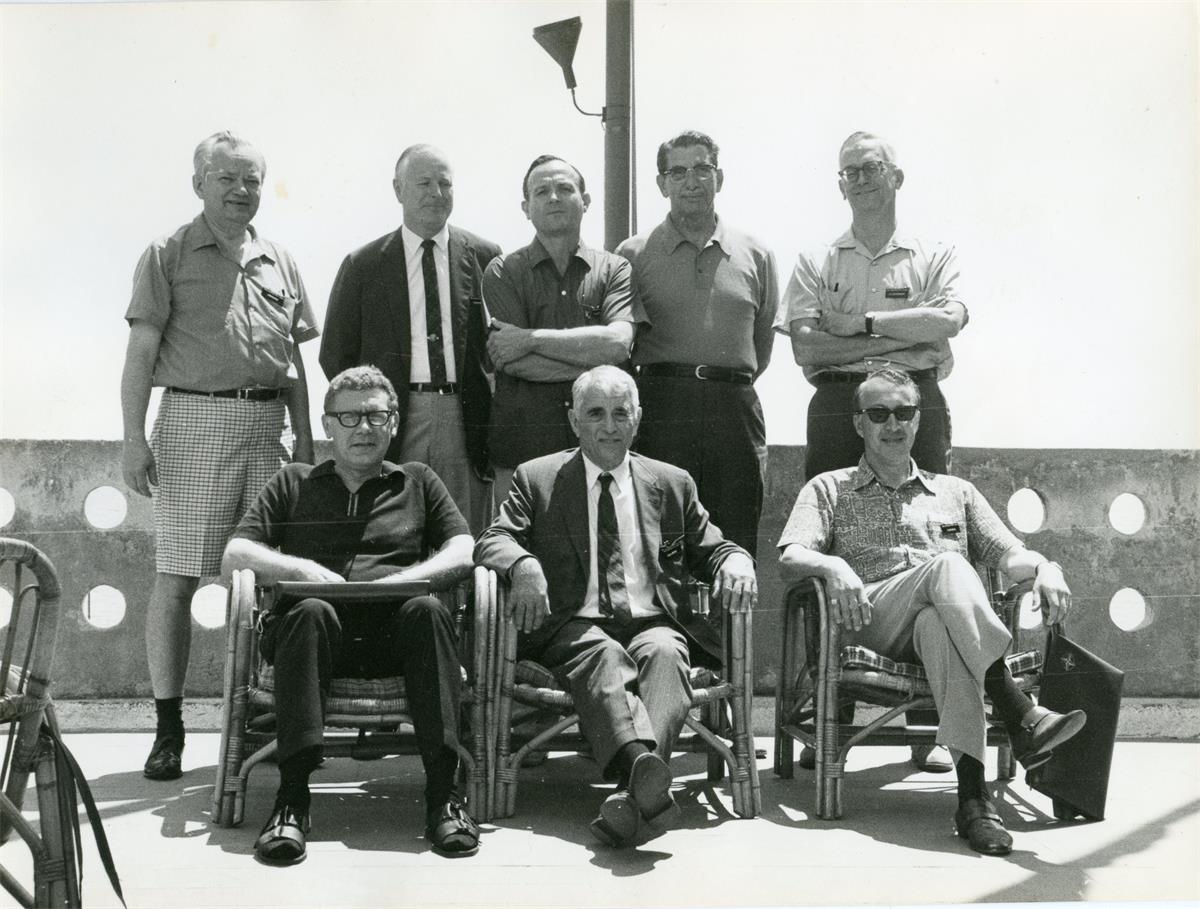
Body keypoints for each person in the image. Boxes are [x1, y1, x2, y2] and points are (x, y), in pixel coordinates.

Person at [777, 367, 1086, 857]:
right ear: (859, 423)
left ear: (919, 421)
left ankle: (973, 802)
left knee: (939, 624)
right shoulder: (829, 488)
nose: (892, 424)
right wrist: (832, 563)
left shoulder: (955, 492)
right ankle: (1018, 710)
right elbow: (791, 555)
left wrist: (1047, 565)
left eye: (903, 413)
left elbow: (1009, 554)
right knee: (946, 566)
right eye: (878, 414)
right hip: (869, 621)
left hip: (940, 624)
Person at [474, 365, 757, 847]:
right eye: (596, 414)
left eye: (620, 413)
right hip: (575, 625)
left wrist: (738, 561)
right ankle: (642, 781)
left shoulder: (671, 483)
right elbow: (493, 538)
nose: (609, 426)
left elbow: (714, 548)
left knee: (667, 655)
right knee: (604, 656)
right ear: (573, 420)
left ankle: (634, 791)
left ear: (638, 419)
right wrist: (523, 564)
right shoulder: (538, 477)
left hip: (654, 621)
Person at [222, 365, 479, 865]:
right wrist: (302, 568)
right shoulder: (293, 482)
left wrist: (402, 582)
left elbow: (465, 548)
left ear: (394, 422)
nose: (363, 427)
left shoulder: (418, 481)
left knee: (428, 611)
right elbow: (235, 554)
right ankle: (291, 801)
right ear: (327, 425)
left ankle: (444, 798)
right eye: (349, 417)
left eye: (375, 415)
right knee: (311, 610)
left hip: (394, 636)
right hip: (314, 640)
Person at [121, 131, 317, 783]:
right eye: (228, 178)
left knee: (272, 580)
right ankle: (169, 728)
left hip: (268, 427)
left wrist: (307, 443)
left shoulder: (280, 259)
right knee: (178, 577)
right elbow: (140, 357)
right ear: (199, 182)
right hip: (193, 419)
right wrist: (133, 437)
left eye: (253, 180)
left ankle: (265, 718)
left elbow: (294, 365)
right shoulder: (167, 253)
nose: (241, 191)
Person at [776, 131, 969, 772]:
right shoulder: (815, 260)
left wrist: (857, 328)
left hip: (920, 405)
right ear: (839, 184)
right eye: (848, 172)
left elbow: (945, 325)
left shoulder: (934, 252)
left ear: (897, 176)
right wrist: (896, 344)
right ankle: (831, 716)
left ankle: (933, 724)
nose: (858, 179)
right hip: (835, 405)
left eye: (870, 168)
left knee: (934, 539)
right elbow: (806, 349)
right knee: (832, 545)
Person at [319, 144, 501, 534]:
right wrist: (370, 411)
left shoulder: (486, 256)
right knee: (391, 526)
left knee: (465, 533)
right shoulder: (364, 264)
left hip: (462, 417)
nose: (436, 192)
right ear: (398, 190)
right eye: (423, 182)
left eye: (444, 183)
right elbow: (335, 354)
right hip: (395, 416)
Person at [616, 129, 778, 558]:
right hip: (663, 408)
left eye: (702, 169)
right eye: (679, 171)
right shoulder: (633, 255)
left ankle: (729, 628)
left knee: (735, 539)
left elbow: (760, 346)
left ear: (719, 177)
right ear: (662, 183)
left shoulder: (756, 253)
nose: (692, 181)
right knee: (661, 543)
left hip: (734, 408)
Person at [484, 155, 635, 502]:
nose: (553, 197)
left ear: (586, 201)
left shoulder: (615, 269)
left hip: (602, 443)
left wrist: (530, 339)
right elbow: (511, 360)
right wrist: (598, 365)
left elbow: (618, 345)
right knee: (521, 548)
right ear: (526, 206)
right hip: (523, 442)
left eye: (565, 188)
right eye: (542, 191)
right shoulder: (502, 271)